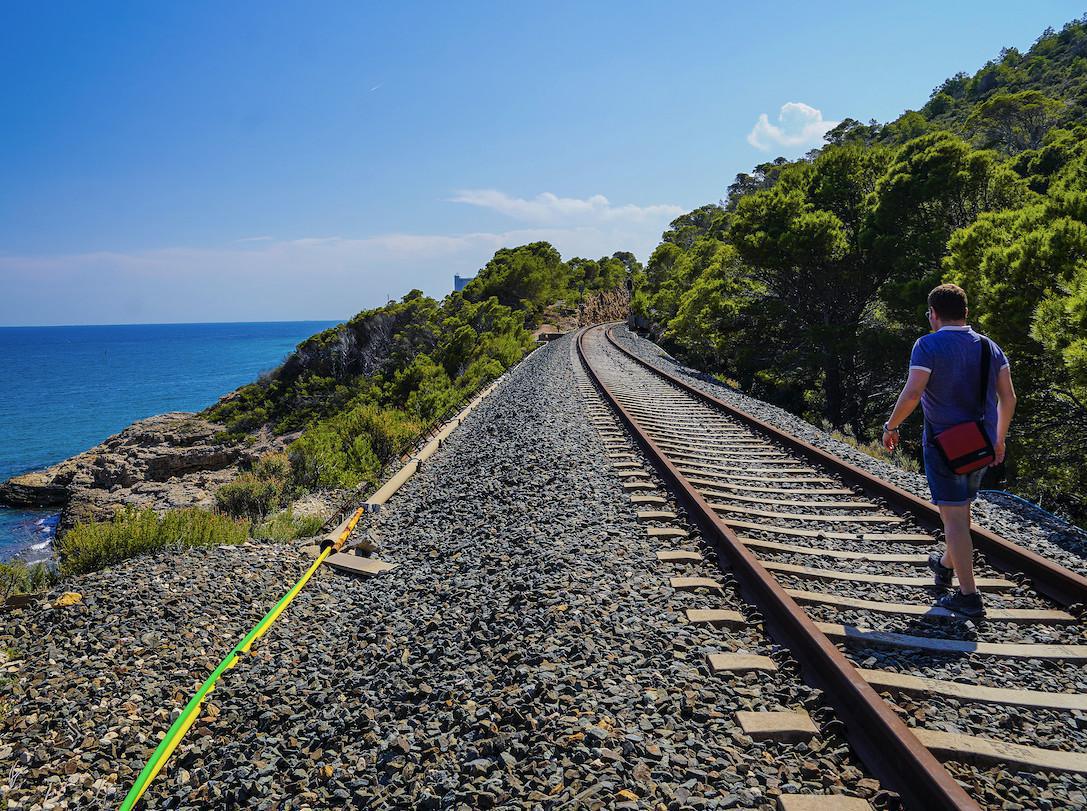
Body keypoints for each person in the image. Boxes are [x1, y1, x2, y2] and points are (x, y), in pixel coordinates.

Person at [881, 283, 1017, 618]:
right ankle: (943, 564)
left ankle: (969, 596)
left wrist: (891, 426)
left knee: (953, 517)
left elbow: (913, 392)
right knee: (961, 512)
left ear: (933, 314)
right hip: (982, 444)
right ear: (966, 312)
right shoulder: (990, 347)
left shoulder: (927, 346)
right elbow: (1008, 398)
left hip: (945, 445)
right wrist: (999, 439)